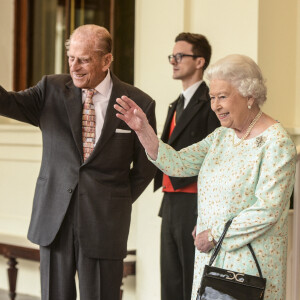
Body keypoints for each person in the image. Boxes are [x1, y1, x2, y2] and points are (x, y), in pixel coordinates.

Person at [115, 54, 297, 299]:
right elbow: (178, 163)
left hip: (249, 268)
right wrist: (143, 130)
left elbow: (268, 210)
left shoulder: (276, 143)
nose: (215, 106)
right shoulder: (221, 137)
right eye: (212, 97)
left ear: (250, 95)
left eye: (223, 97)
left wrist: (214, 234)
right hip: (211, 259)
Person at [0, 24, 157, 300]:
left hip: (105, 222)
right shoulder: (50, 89)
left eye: (84, 59)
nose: (75, 67)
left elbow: (146, 167)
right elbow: (6, 102)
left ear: (107, 60)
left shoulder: (139, 102)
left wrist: (116, 199)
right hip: (55, 221)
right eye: (71, 58)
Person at [153, 32, 220, 300]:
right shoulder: (176, 103)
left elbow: (215, 160)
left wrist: (206, 215)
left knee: (191, 284)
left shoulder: (211, 102)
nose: (174, 61)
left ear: (200, 61)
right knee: (169, 281)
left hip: (194, 203)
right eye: (172, 56)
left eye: (180, 56)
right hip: (170, 202)